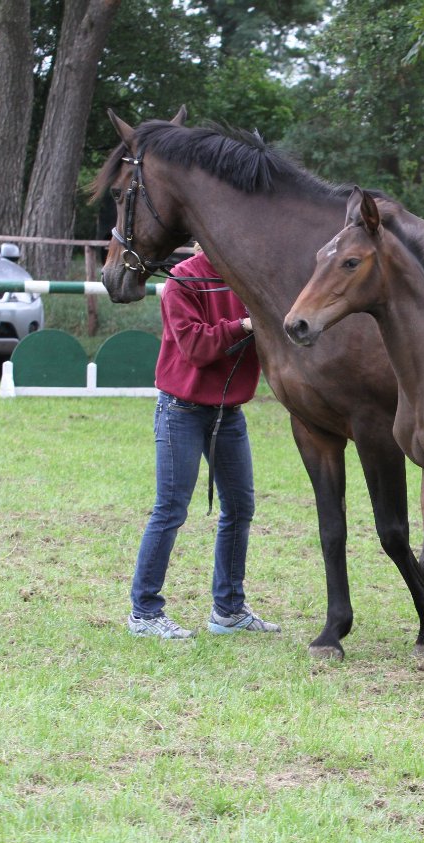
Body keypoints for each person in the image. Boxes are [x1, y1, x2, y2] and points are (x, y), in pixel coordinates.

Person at [127, 244, 279, 639]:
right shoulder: (182, 280)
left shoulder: (249, 275)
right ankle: (144, 613)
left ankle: (228, 611)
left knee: (240, 508)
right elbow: (194, 348)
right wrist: (247, 325)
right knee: (171, 509)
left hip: (229, 414)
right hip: (182, 411)